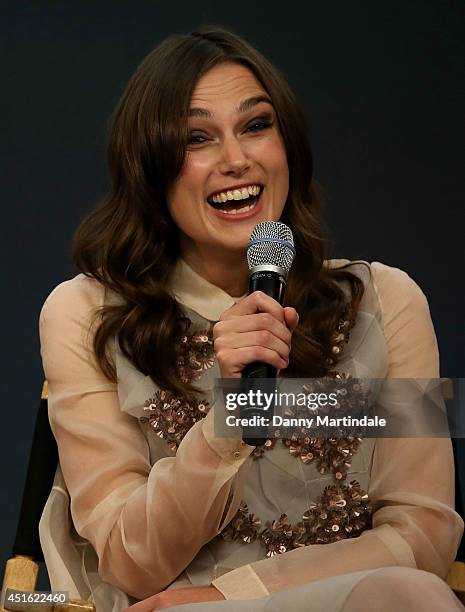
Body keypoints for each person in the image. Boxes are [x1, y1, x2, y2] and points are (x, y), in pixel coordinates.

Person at [38, 25, 464, 611]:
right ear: (149, 165)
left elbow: (423, 537)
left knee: (412, 592)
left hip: (340, 601)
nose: (236, 160)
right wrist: (228, 415)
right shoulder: (85, 314)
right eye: (196, 138)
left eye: (256, 125)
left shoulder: (387, 302)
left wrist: (229, 594)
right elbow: (128, 559)